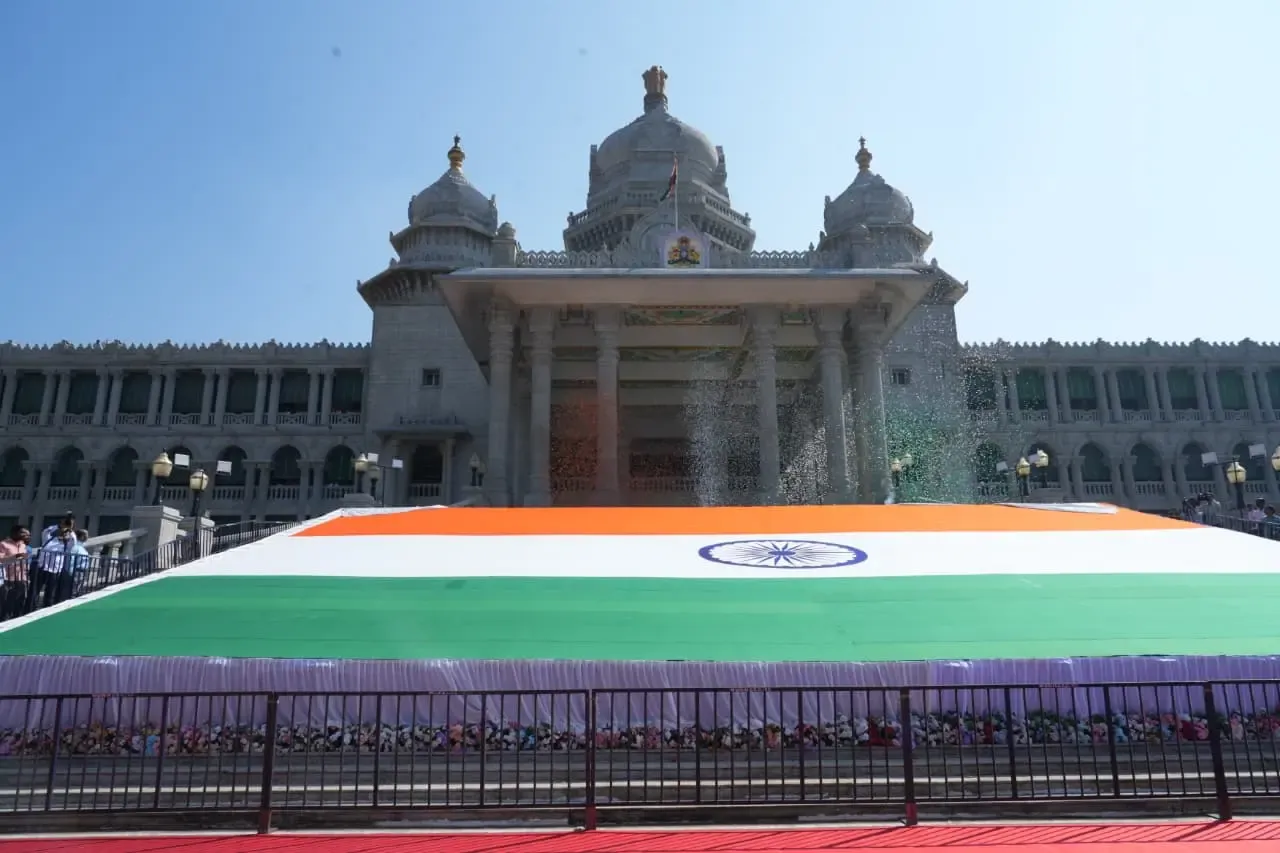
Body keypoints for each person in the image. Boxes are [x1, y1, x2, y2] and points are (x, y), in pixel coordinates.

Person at [0, 525, 30, 620]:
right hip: (8, 578)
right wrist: (16, 557)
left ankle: (17, 618)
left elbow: (25, 559)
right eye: (22, 533)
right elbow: (1, 560)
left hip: (21, 576)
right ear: (15, 533)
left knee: (19, 600)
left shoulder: (23, 544)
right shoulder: (4, 544)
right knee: (7, 601)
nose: (24, 535)